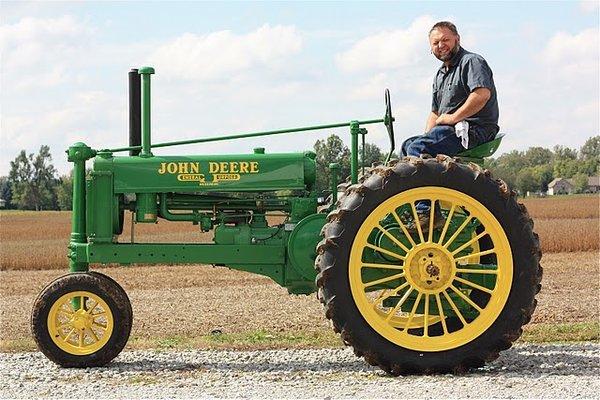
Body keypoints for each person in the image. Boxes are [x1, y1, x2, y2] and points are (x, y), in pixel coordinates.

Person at [401, 21, 499, 158]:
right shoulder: (440, 74)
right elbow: (435, 113)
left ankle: (422, 179)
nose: (441, 46)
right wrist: (427, 136)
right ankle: (429, 178)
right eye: (435, 43)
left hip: (474, 129)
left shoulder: (471, 61)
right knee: (408, 145)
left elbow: (481, 95)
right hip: (449, 130)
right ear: (431, 48)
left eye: (445, 40)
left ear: (457, 39)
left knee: (418, 148)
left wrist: (453, 118)